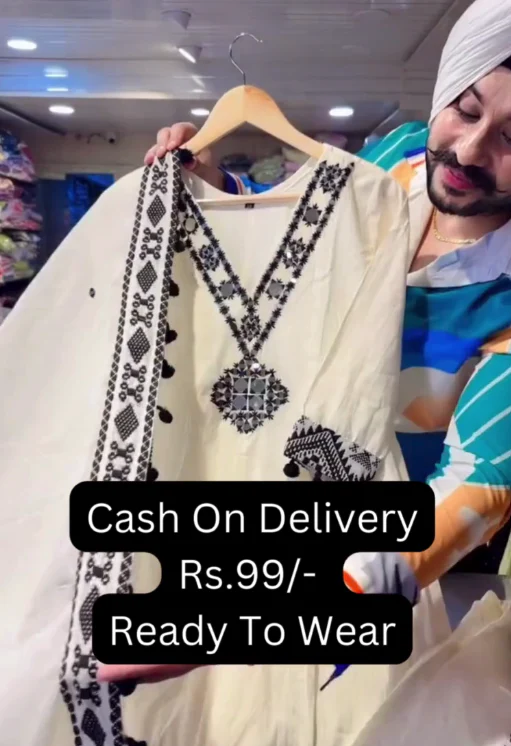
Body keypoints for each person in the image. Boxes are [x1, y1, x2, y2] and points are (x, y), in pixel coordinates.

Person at [99, 0, 511, 685]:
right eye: (465, 112)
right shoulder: (397, 160)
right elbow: (298, 240)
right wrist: (217, 191)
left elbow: (480, 482)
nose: (469, 152)